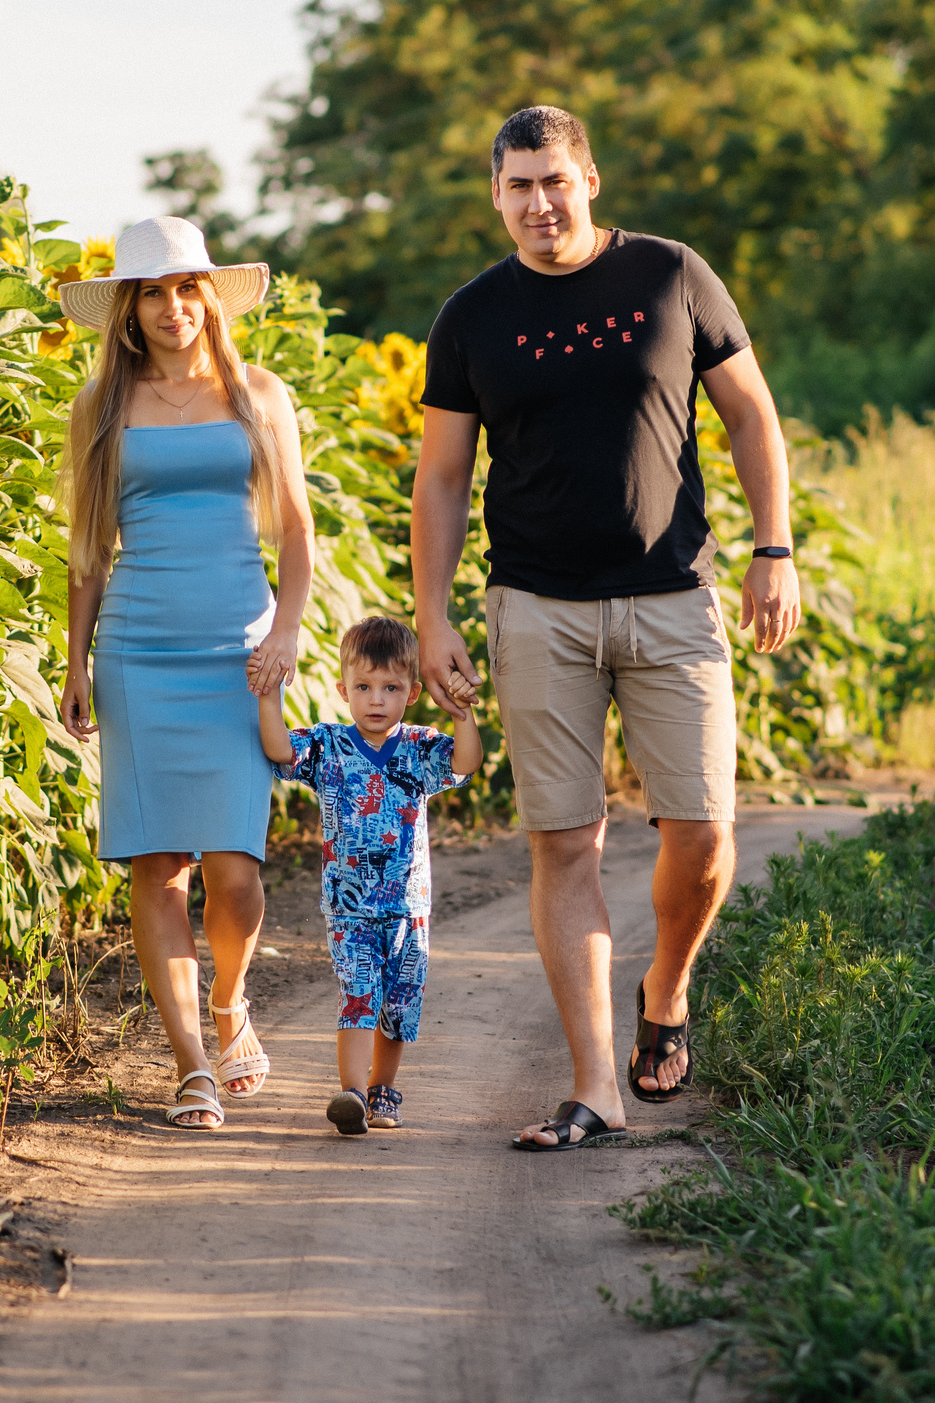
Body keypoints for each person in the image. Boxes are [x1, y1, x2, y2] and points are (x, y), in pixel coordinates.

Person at [410, 106, 801, 1152]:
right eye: (516, 187)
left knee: (705, 836)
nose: (538, 203)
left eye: (553, 180)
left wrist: (774, 548)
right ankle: (594, 1085)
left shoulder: (670, 276)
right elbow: (443, 475)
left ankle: (663, 987)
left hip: (675, 596)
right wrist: (434, 614)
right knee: (565, 842)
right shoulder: (471, 317)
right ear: (493, 197)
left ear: (588, 176)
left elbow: (750, 415)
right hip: (536, 608)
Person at [58, 216, 316, 1132]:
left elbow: (295, 529)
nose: (173, 308)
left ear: (211, 296)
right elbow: (90, 547)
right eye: (153, 293)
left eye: (186, 289)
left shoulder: (259, 394)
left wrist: (284, 635)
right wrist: (77, 658)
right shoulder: (100, 405)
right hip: (137, 649)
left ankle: (230, 997)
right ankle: (192, 1066)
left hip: (238, 654)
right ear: (129, 310)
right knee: (158, 866)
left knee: (237, 872)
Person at [258, 616, 479, 1136]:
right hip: (349, 904)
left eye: (390, 688)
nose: (376, 700)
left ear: (413, 692)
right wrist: (269, 696)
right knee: (358, 994)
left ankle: (384, 1089)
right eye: (363, 687)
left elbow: (465, 762)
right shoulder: (328, 745)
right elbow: (280, 751)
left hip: (408, 905)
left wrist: (464, 713)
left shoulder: (421, 749)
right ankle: (352, 1092)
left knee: (399, 1004)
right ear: (343, 691)